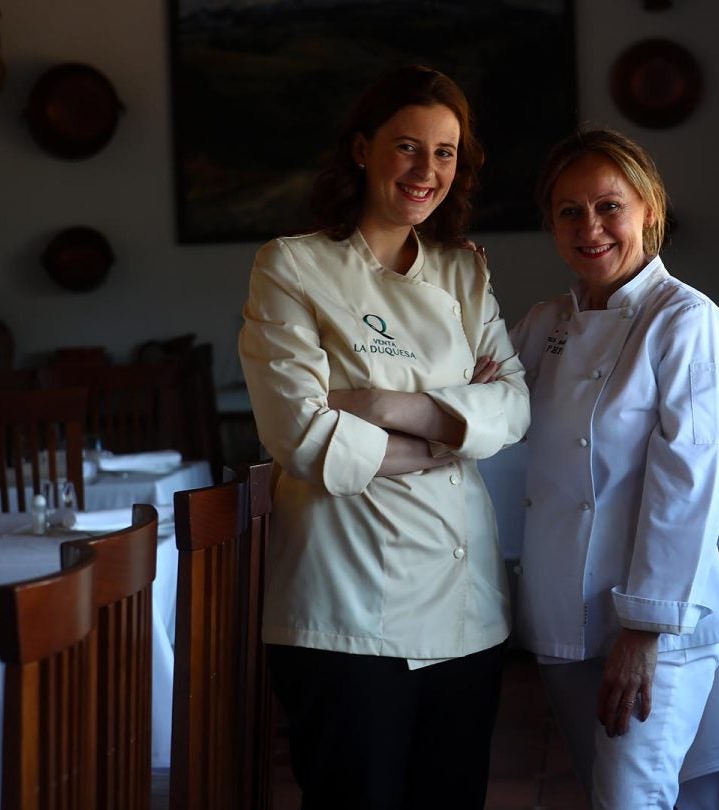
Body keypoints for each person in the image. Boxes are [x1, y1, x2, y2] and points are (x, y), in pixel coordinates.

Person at [237, 65, 529, 809]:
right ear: (362, 149)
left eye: (444, 152)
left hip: (466, 608)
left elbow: (515, 405)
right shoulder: (292, 266)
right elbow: (302, 438)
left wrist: (375, 404)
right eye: (406, 146)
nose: (425, 170)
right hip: (346, 614)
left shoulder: (464, 271)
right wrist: (454, 433)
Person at [509, 128, 719, 808]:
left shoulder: (688, 322)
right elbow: (476, 406)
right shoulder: (544, 323)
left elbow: (689, 488)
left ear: (648, 207)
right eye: (569, 212)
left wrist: (643, 630)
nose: (591, 228)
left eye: (609, 206)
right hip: (562, 615)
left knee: (629, 801)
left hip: (655, 624)